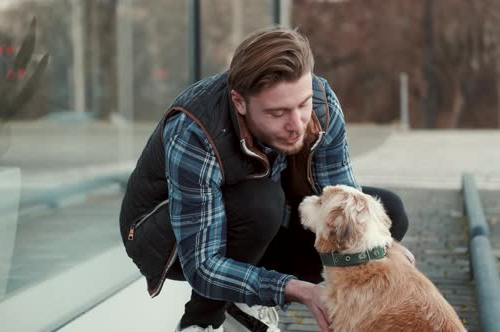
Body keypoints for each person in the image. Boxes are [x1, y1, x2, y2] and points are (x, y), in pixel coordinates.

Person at [119, 26, 411, 332]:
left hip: (264, 220)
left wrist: (384, 251)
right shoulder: (196, 131)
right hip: (174, 243)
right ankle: (202, 321)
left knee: (387, 213)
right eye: (278, 113)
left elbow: (343, 200)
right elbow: (202, 265)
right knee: (261, 203)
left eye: (302, 104)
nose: (297, 124)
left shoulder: (322, 106)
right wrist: (297, 290)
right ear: (240, 102)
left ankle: (245, 299)